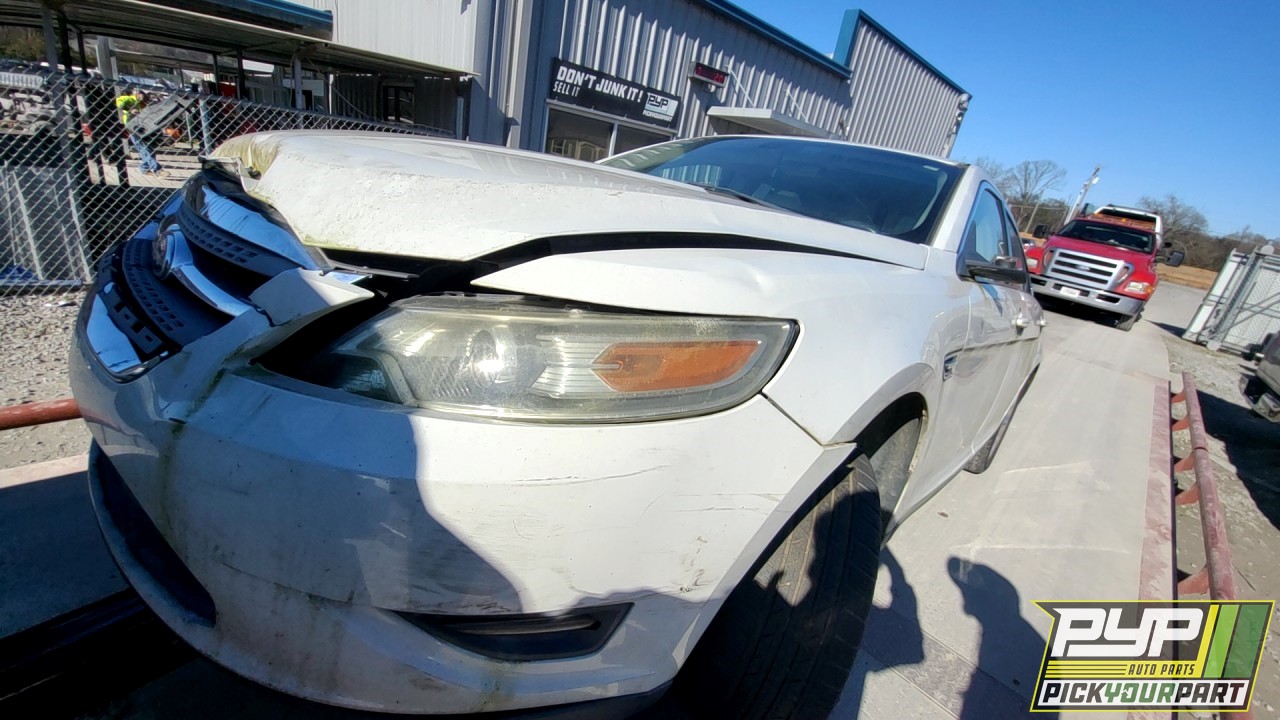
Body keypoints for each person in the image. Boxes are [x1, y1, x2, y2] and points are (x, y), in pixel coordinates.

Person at [116, 87, 164, 175]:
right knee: (143, 148)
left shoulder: (139, 103)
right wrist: (130, 109)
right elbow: (119, 103)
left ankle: (144, 168)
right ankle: (157, 169)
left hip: (140, 126)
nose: (143, 95)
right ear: (135, 93)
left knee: (147, 148)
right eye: (141, 93)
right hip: (132, 127)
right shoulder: (129, 99)